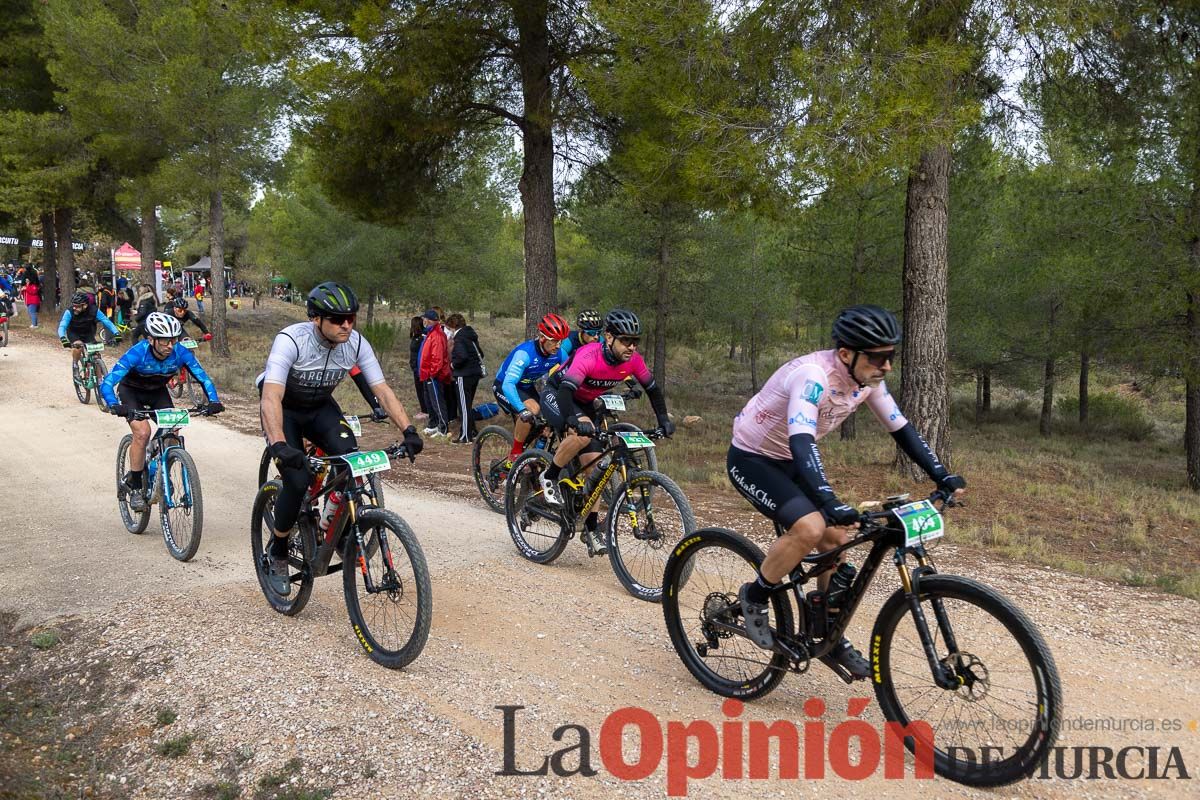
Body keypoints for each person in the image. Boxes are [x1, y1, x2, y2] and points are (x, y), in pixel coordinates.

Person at [729, 304, 966, 678]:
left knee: (837, 538)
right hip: (753, 458)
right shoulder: (813, 376)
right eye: (878, 357)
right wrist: (826, 500)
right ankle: (755, 596)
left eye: (891, 356)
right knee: (809, 528)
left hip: (792, 458)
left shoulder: (864, 380)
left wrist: (942, 475)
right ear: (845, 354)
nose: (887, 365)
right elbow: (803, 440)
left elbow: (902, 430)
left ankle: (826, 629)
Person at [258, 281, 423, 596]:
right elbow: (270, 397)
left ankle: (336, 528)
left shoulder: (357, 343)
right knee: (296, 480)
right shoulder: (291, 340)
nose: (346, 324)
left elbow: (382, 390)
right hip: (285, 409)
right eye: (337, 319)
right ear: (316, 319)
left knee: (353, 462)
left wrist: (408, 429)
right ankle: (278, 549)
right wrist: (279, 443)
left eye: (351, 317)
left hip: (321, 408)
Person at [538, 308, 674, 555]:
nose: (631, 347)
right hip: (559, 394)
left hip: (587, 400)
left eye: (635, 342)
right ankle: (550, 475)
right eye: (625, 341)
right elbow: (567, 390)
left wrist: (663, 419)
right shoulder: (588, 355)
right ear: (609, 337)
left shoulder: (633, 360)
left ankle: (590, 528)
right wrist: (572, 419)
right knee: (581, 434)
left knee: (595, 469)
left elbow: (652, 390)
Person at [101, 312, 225, 511]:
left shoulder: (180, 352)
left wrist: (214, 400)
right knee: (143, 433)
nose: (170, 346)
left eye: (173, 340)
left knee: (173, 430)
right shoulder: (137, 353)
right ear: (151, 339)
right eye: (165, 341)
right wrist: (114, 404)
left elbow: (203, 378)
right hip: (132, 392)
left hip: (157, 392)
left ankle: (159, 471)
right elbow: (108, 382)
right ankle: (135, 487)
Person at [493, 313, 571, 465]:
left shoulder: (560, 353)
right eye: (554, 341)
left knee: (549, 416)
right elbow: (508, 384)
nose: (558, 345)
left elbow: (572, 375)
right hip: (505, 386)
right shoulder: (525, 353)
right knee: (532, 410)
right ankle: (515, 455)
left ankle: (533, 456)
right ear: (542, 338)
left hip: (526, 387)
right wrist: (522, 409)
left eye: (560, 341)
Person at [447, 313, 485, 443]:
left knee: (463, 406)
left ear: (453, 326)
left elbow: (462, 356)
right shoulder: (471, 336)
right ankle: (472, 431)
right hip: (475, 374)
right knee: (467, 405)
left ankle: (465, 436)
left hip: (463, 375)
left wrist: (453, 364)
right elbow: (481, 354)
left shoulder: (460, 337)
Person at [59, 290, 121, 365]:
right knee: (78, 346)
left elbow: (106, 321)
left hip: (88, 333)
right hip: (74, 333)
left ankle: (99, 376)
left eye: (77, 306)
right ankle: (75, 365)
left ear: (85, 305)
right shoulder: (69, 312)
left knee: (96, 356)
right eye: (73, 305)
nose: (74, 308)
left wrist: (116, 333)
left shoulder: (94, 310)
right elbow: (62, 325)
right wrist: (63, 338)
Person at [418, 309, 452, 437]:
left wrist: (432, 373)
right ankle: (433, 424)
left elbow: (437, 358)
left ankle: (443, 428)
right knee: (430, 401)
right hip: (427, 374)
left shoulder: (437, 335)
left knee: (437, 401)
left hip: (434, 375)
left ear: (429, 320)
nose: (423, 321)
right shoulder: (431, 333)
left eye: (424, 319)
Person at [408, 316, 430, 420]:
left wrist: (417, 368)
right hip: (416, 367)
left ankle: (425, 411)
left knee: (421, 389)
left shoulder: (421, 338)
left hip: (419, 368)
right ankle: (424, 409)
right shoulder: (416, 337)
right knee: (419, 389)